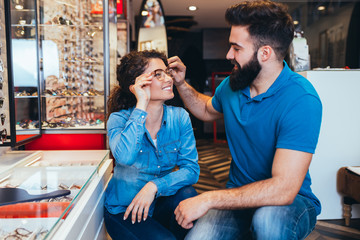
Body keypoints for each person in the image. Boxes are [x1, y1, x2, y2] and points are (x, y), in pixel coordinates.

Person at [168, 1, 322, 239]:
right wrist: (180, 83)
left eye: (236, 48)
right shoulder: (234, 84)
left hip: (291, 202)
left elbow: (284, 189)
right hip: (239, 196)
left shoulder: (301, 99)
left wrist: (208, 198)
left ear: (265, 53)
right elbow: (207, 111)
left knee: (267, 219)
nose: (228, 55)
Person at [104, 50, 200, 240]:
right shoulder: (118, 120)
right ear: (138, 84)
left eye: (167, 72)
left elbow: (191, 169)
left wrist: (154, 186)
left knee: (188, 195)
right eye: (158, 74)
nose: (168, 78)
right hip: (125, 210)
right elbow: (125, 157)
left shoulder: (179, 117)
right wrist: (141, 104)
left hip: (159, 202)